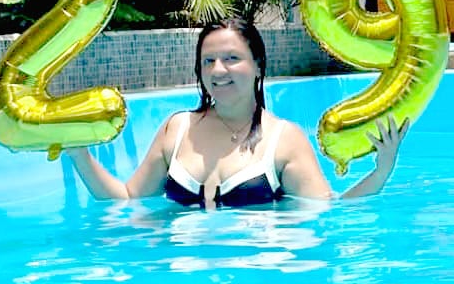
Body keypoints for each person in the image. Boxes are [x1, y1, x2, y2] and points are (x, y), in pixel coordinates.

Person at [66, 16, 410, 208]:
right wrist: (78, 152)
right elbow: (127, 199)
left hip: (256, 277)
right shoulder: (178, 128)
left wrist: (381, 171)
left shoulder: (283, 140)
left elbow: (328, 211)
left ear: (258, 66)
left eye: (232, 59)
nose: (218, 70)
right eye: (208, 61)